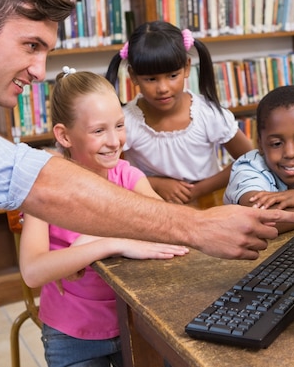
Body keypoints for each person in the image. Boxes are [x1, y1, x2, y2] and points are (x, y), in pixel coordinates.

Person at [0, 0, 294, 265]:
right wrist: (196, 227)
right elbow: (28, 181)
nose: (38, 71)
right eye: (31, 45)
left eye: (45, 52)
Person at [19, 68, 189, 367]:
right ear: (64, 135)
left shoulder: (128, 175)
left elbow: (169, 229)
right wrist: (107, 244)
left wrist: (82, 248)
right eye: (99, 131)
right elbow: (33, 272)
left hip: (136, 323)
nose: (114, 141)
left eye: (119, 125)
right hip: (72, 336)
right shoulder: (44, 189)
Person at [105, 21, 255, 205]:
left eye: (172, 76)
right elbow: (110, 172)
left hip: (209, 201)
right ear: (133, 76)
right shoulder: (125, 121)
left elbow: (249, 158)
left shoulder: (208, 113)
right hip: (152, 205)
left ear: (186, 67)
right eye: (151, 79)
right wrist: (157, 184)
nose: (163, 88)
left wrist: (199, 189)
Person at [224, 85, 294, 233]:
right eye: (276, 144)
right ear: (260, 144)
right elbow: (263, 220)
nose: (290, 153)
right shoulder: (248, 167)